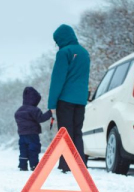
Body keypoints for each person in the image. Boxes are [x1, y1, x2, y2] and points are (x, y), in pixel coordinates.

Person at [48, 24, 90, 173]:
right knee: (77, 132)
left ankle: (66, 165)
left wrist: (51, 103)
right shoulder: (84, 53)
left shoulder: (64, 53)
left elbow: (57, 80)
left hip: (65, 100)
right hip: (81, 100)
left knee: (65, 132)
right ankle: (79, 164)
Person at [15, 86, 52, 171]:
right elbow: (41, 118)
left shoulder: (19, 110)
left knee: (23, 149)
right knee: (34, 149)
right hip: (32, 134)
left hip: (22, 134)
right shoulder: (34, 110)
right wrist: (50, 112)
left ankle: (22, 165)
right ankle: (34, 165)